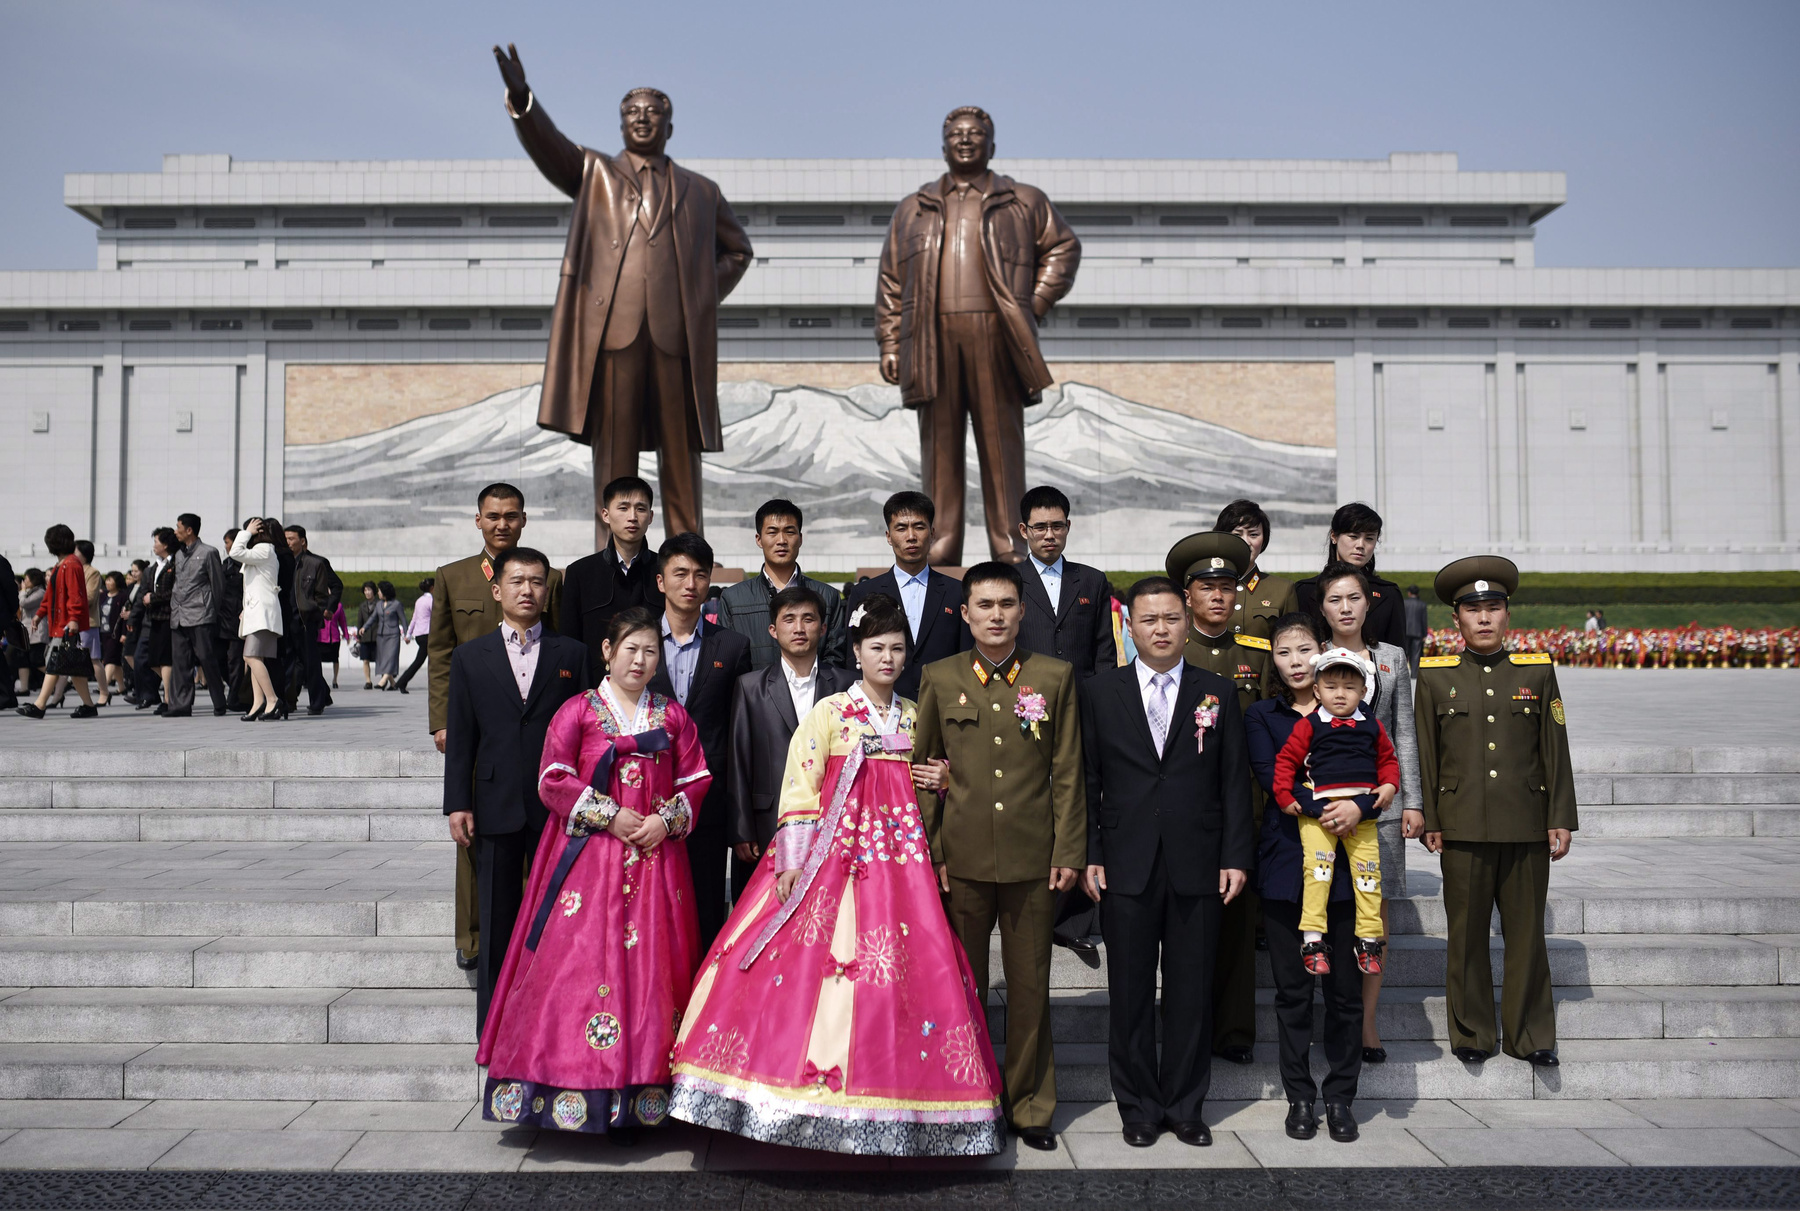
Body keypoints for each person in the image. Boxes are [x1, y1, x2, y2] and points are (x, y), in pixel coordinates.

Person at [670, 593, 1004, 1155]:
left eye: (898, 649)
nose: (889, 659)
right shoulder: (830, 713)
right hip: (834, 860)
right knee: (812, 970)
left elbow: (943, 781)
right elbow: (799, 790)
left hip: (904, 865)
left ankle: (906, 1099)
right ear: (855, 650)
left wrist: (943, 777)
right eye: (877, 648)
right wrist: (793, 861)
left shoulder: (916, 714)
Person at [494, 47, 754, 544]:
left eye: (653, 113)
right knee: (615, 457)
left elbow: (737, 251)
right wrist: (524, 101)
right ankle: (610, 553)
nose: (642, 119)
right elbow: (551, 147)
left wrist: (697, 297)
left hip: (676, 340)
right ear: (620, 125)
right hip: (615, 336)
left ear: (669, 126)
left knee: (681, 454)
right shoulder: (594, 174)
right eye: (631, 113)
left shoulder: (701, 190)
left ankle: (686, 548)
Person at [476, 605, 710, 1141]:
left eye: (651, 651)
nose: (641, 659)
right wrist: (609, 813)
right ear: (607, 652)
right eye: (631, 649)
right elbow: (553, 777)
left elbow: (697, 777)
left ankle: (648, 1092)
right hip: (589, 862)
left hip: (654, 861)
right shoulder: (577, 711)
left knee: (653, 969)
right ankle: (568, 1086)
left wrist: (664, 819)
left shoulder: (671, 716)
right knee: (580, 968)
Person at [913, 561, 1083, 1153]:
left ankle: (1031, 1108)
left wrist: (1069, 849)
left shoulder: (1054, 676)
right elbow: (922, 774)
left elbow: (1067, 771)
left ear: (1022, 611)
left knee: (1032, 987)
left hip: (1033, 859)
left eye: (1006, 604)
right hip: (959, 861)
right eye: (983, 605)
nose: (995, 615)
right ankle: (967, 1099)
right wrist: (931, 853)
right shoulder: (938, 676)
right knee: (963, 988)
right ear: (965, 613)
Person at [1079, 576, 1252, 1149]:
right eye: (1149, 619)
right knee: (1129, 993)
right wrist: (1091, 856)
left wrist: (1233, 856)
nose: (1160, 629)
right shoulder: (1102, 692)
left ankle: (1185, 1106)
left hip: (1198, 862)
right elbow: (1088, 781)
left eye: (1171, 618)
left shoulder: (1217, 691)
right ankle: (1137, 1106)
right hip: (1125, 863)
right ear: (1130, 626)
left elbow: (1233, 782)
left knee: (1189, 991)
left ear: (1188, 621)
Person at [876, 105, 1080, 565]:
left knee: (1002, 448)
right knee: (939, 453)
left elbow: (1063, 248)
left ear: (992, 143)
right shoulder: (915, 208)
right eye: (956, 134)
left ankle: (1011, 547)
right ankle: (940, 548)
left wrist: (1034, 304)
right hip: (931, 339)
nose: (965, 140)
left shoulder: (1022, 199)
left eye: (975, 133)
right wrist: (891, 343)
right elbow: (890, 280)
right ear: (943, 143)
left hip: (997, 335)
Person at [1416, 556, 1577, 1068]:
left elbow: (1556, 748)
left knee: (1527, 934)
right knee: (1465, 936)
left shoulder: (1537, 671)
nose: (1484, 618)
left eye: (1493, 608)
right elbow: (1425, 753)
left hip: (1526, 821)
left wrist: (1560, 816)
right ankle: (1472, 1033)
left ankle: (1531, 1035)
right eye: (1472, 610)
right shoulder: (1436, 678)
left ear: (1507, 615)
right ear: (1455, 620)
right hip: (1460, 825)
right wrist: (1432, 821)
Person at [443, 548, 590, 1031]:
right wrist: (457, 803)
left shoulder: (572, 654)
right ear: (498, 590)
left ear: (547, 592)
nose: (527, 590)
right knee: (497, 914)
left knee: (562, 913)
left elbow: (588, 731)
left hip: (559, 805)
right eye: (518, 581)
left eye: (537, 582)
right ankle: (494, 1022)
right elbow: (462, 735)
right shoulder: (469, 657)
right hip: (494, 801)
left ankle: (558, 1015)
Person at [429, 483, 564, 973]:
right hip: (476, 725)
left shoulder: (547, 577)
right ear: (479, 521)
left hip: (531, 732)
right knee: (475, 840)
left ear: (523, 519)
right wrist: (442, 721)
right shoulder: (454, 576)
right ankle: (474, 936)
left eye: (511, 515)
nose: (501, 523)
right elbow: (441, 653)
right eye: (493, 516)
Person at [1245, 612, 1367, 1144]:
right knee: (1293, 993)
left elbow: (1378, 768)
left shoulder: (1352, 710)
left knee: (1343, 993)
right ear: (1272, 660)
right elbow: (1276, 778)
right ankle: (1299, 1096)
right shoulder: (1261, 717)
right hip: (1284, 867)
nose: (1294, 663)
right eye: (1283, 653)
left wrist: (1362, 806)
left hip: (1344, 867)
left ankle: (1341, 1096)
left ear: (1320, 651)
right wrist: (1339, 803)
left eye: (1302, 651)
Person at [1313, 561, 1423, 1061]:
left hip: (1379, 808)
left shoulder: (1392, 659)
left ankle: (1368, 1023)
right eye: (1335, 600)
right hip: (1322, 813)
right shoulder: (1310, 658)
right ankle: (1331, 1014)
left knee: (1371, 917)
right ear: (1323, 608)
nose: (1345, 608)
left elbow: (1404, 733)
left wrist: (1412, 802)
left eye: (1353, 598)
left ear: (1367, 602)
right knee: (1325, 911)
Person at [1165, 531, 1267, 1066]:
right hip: (1183, 813)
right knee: (1184, 933)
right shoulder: (1173, 655)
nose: (1219, 597)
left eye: (1228, 587)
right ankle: (1189, 1028)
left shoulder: (1257, 655)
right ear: (1188, 596)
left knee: (1235, 929)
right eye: (1207, 587)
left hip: (1242, 809)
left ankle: (1234, 1032)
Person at [646, 532, 751, 948]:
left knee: (707, 910)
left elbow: (737, 729)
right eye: (680, 573)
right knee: (651, 915)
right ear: (661, 581)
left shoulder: (733, 645)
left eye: (700, 575)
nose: (690, 583)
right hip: (646, 804)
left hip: (708, 804)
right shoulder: (636, 642)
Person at [1271, 647, 1400, 977]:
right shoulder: (1310, 725)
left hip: (1364, 814)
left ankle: (1369, 939)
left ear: (1363, 691)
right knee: (1318, 874)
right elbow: (1286, 762)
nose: (1340, 694)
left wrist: (1389, 786)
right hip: (1318, 815)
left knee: (1369, 877)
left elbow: (1387, 760)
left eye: (1349, 687)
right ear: (1317, 690)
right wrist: (1284, 795)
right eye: (1331, 686)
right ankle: (1313, 939)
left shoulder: (1371, 725)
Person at [723, 584, 856, 901]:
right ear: (772, 629)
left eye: (808, 619)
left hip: (833, 821)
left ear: (823, 628)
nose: (799, 628)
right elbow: (739, 760)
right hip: (767, 822)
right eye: (789, 619)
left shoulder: (846, 684)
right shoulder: (751, 687)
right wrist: (741, 830)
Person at [845, 491, 971, 701]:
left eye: (919, 527)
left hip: (945, 706)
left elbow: (966, 655)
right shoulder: (865, 593)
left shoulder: (956, 592)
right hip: (883, 707)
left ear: (932, 534)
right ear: (888, 536)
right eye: (901, 528)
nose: (911, 536)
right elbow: (853, 657)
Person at [715, 498, 848, 671]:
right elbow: (727, 660)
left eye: (789, 532)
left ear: (800, 539)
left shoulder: (827, 596)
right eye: (772, 532)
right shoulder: (733, 599)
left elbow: (835, 658)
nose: (781, 540)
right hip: (752, 696)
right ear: (759, 539)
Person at [562, 476, 662, 685]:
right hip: (596, 690)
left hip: (655, 689)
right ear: (606, 515)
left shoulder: (664, 570)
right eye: (623, 508)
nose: (632, 517)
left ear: (651, 516)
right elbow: (569, 643)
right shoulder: (580, 573)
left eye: (641, 509)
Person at [1015, 485, 1115, 679]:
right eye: (1040, 527)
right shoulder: (1008, 581)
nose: (1050, 535)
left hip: (1082, 697)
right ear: (1024, 530)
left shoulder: (1092, 580)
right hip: (1025, 696)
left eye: (1057, 526)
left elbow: (1105, 651)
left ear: (1068, 526)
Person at [1294, 503, 1406, 650]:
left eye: (1369, 538)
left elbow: (1397, 654)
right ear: (1334, 536)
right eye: (1353, 536)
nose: (1361, 545)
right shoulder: (1305, 591)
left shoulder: (1388, 594)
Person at [18, 525, 98, 719]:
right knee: (72, 665)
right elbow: (51, 597)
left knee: (54, 662)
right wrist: (39, 614)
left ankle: (40, 705)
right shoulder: (61, 564)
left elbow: (75, 595)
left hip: (65, 623)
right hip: (59, 623)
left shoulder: (70, 564)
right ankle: (88, 705)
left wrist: (73, 619)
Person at [166, 513, 228, 718]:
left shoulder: (209, 552)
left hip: (201, 615)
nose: (175, 531)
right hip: (179, 615)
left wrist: (212, 610)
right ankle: (181, 706)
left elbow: (218, 586)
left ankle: (219, 702)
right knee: (181, 662)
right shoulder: (178, 554)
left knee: (206, 659)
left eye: (178, 527)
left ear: (189, 530)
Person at [1214, 499, 1299, 640]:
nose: (1246, 542)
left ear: (1264, 540)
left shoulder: (1282, 590)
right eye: (1237, 534)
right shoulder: (1202, 586)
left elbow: (1292, 643)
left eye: (1253, 534)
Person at [230, 519, 286, 722]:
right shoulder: (263, 552)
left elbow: (235, 552)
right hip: (256, 612)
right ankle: (257, 703)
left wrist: (245, 533)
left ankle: (272, 700)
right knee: (256, 659)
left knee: (250, 657)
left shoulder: (264, 549)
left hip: (262, 612)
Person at [283, 524, 342, 715]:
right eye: (286, 538)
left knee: (310, 662)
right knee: (292, 663)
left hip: (307, 619)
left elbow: (335, 586)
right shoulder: (283, 562)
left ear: (303, 541)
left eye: (291, 538)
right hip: (287, 619)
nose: (288, 542)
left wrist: (326, 608)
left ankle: (317, 701)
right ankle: (292, 700)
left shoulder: (317, 563)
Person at [74, 540, 107, 705]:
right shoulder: (73, 570)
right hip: (72, 622)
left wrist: (70, 602)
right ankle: (57, 695)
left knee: (93, 659)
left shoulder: (92, 572)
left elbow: (90, 597)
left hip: (88, 622)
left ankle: (104, 692)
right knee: (71, 660)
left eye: (76, 551)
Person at [395, 578, 433, 693]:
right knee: (420, 661)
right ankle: (401, 682)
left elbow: (414, 619)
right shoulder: (432, 601)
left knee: (420, 661)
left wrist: (408, 634)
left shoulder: (419, 601)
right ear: (432, 588)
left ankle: (402, 682)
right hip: (428, 634)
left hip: (419, 635)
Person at [97, 571, 129, 706]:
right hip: (103, 631)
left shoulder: (123, 597)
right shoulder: (102, 596)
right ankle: (122, 686)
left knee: (109, 659)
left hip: (115, 634)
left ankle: (103, 689)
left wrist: (124, 633)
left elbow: (123, 619)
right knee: (115, 661)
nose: (108, 582)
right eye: (107, 580)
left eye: (111, 580)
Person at [20, 568, 47, 698]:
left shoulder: (40, 592)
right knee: (23, 660)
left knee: (37, 660)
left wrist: (22, 591)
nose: (24, 581)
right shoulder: (31, 592)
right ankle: (24, 688)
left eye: (26, 579)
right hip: (26, 632)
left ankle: (57, 681)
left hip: (36, 633)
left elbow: (24, 603)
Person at [372, 581, 404, 689]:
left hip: (393, 635)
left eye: (379, 591)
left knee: (390, 658)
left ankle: (383, 681)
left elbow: (403, 620)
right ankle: (393, 684)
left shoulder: (396, 604)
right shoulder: (378, 604)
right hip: (381, 635)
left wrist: (407, 635)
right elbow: (373, 618)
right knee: (383, 659)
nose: (378, 593)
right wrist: (363, 628)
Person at [354, 581, 378, 690]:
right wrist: (358, 638)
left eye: (369, 590)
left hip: (377, 636)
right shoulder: (362, 606)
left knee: (381, 659)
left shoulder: (380, 604)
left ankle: (385, 679)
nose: (367, 592)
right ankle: (368, 681)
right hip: (365, 636)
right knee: (365, 660)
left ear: (374, 591)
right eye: (365, 590)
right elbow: (360, 622)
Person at [320, 601, 347, 688]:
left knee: (335, 658)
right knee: (318, 659)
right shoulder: (320, 603)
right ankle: (319, 679)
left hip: (334, 637)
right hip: (321, 636)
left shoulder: (338, 605)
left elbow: (342, 621)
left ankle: (335, 679)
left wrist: (346, 634)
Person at [1404, 586, 1429, 670]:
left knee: (1404, 653)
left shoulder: (1404, 603)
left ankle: (1403, 674)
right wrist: (1425, 634)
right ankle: (1414, 675)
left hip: (1406, 632)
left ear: (1409, 593)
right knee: (1416, 654)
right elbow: (1424, 620)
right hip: (1418, 632)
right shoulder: (1422, 604)